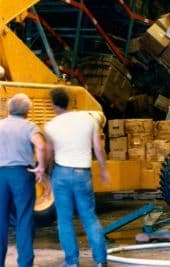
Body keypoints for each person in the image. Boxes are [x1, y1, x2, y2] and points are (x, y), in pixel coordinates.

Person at [44, 87, 110, 267]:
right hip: (83, 174)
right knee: (89, 217)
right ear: (70, 102)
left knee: (64, 219)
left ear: (54, 106)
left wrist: (47, 174)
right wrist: (104, 169)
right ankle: (100, 260)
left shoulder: (51, 125)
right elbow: (98, 148)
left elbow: (48, 153)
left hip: (62, 174)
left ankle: (72, 262)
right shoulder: (88, 120)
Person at [0, 93, 46, 267]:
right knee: (24, 218)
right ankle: (25, 263)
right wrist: (40, 167)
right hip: (21, 174)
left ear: (9, 109)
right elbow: (40, 145)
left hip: (0, 175)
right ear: (27, 111)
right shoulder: (29, 126)